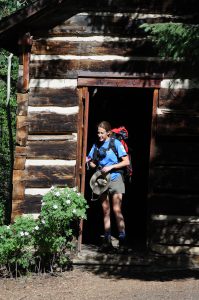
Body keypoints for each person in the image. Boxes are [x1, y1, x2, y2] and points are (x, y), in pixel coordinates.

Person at [87, 121, 130, 252]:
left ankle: (122, 242)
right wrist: (91, 163)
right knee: (105, 210)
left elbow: (126, 161)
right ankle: (107, 242)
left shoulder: (115, 143)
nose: (99, 135)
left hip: (116, 178)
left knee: (117, 210)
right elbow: (91, 161)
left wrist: (111, 166)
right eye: (98, 132)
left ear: (108, 133)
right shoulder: (96, 145)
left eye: (102, 133)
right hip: (101, 180)